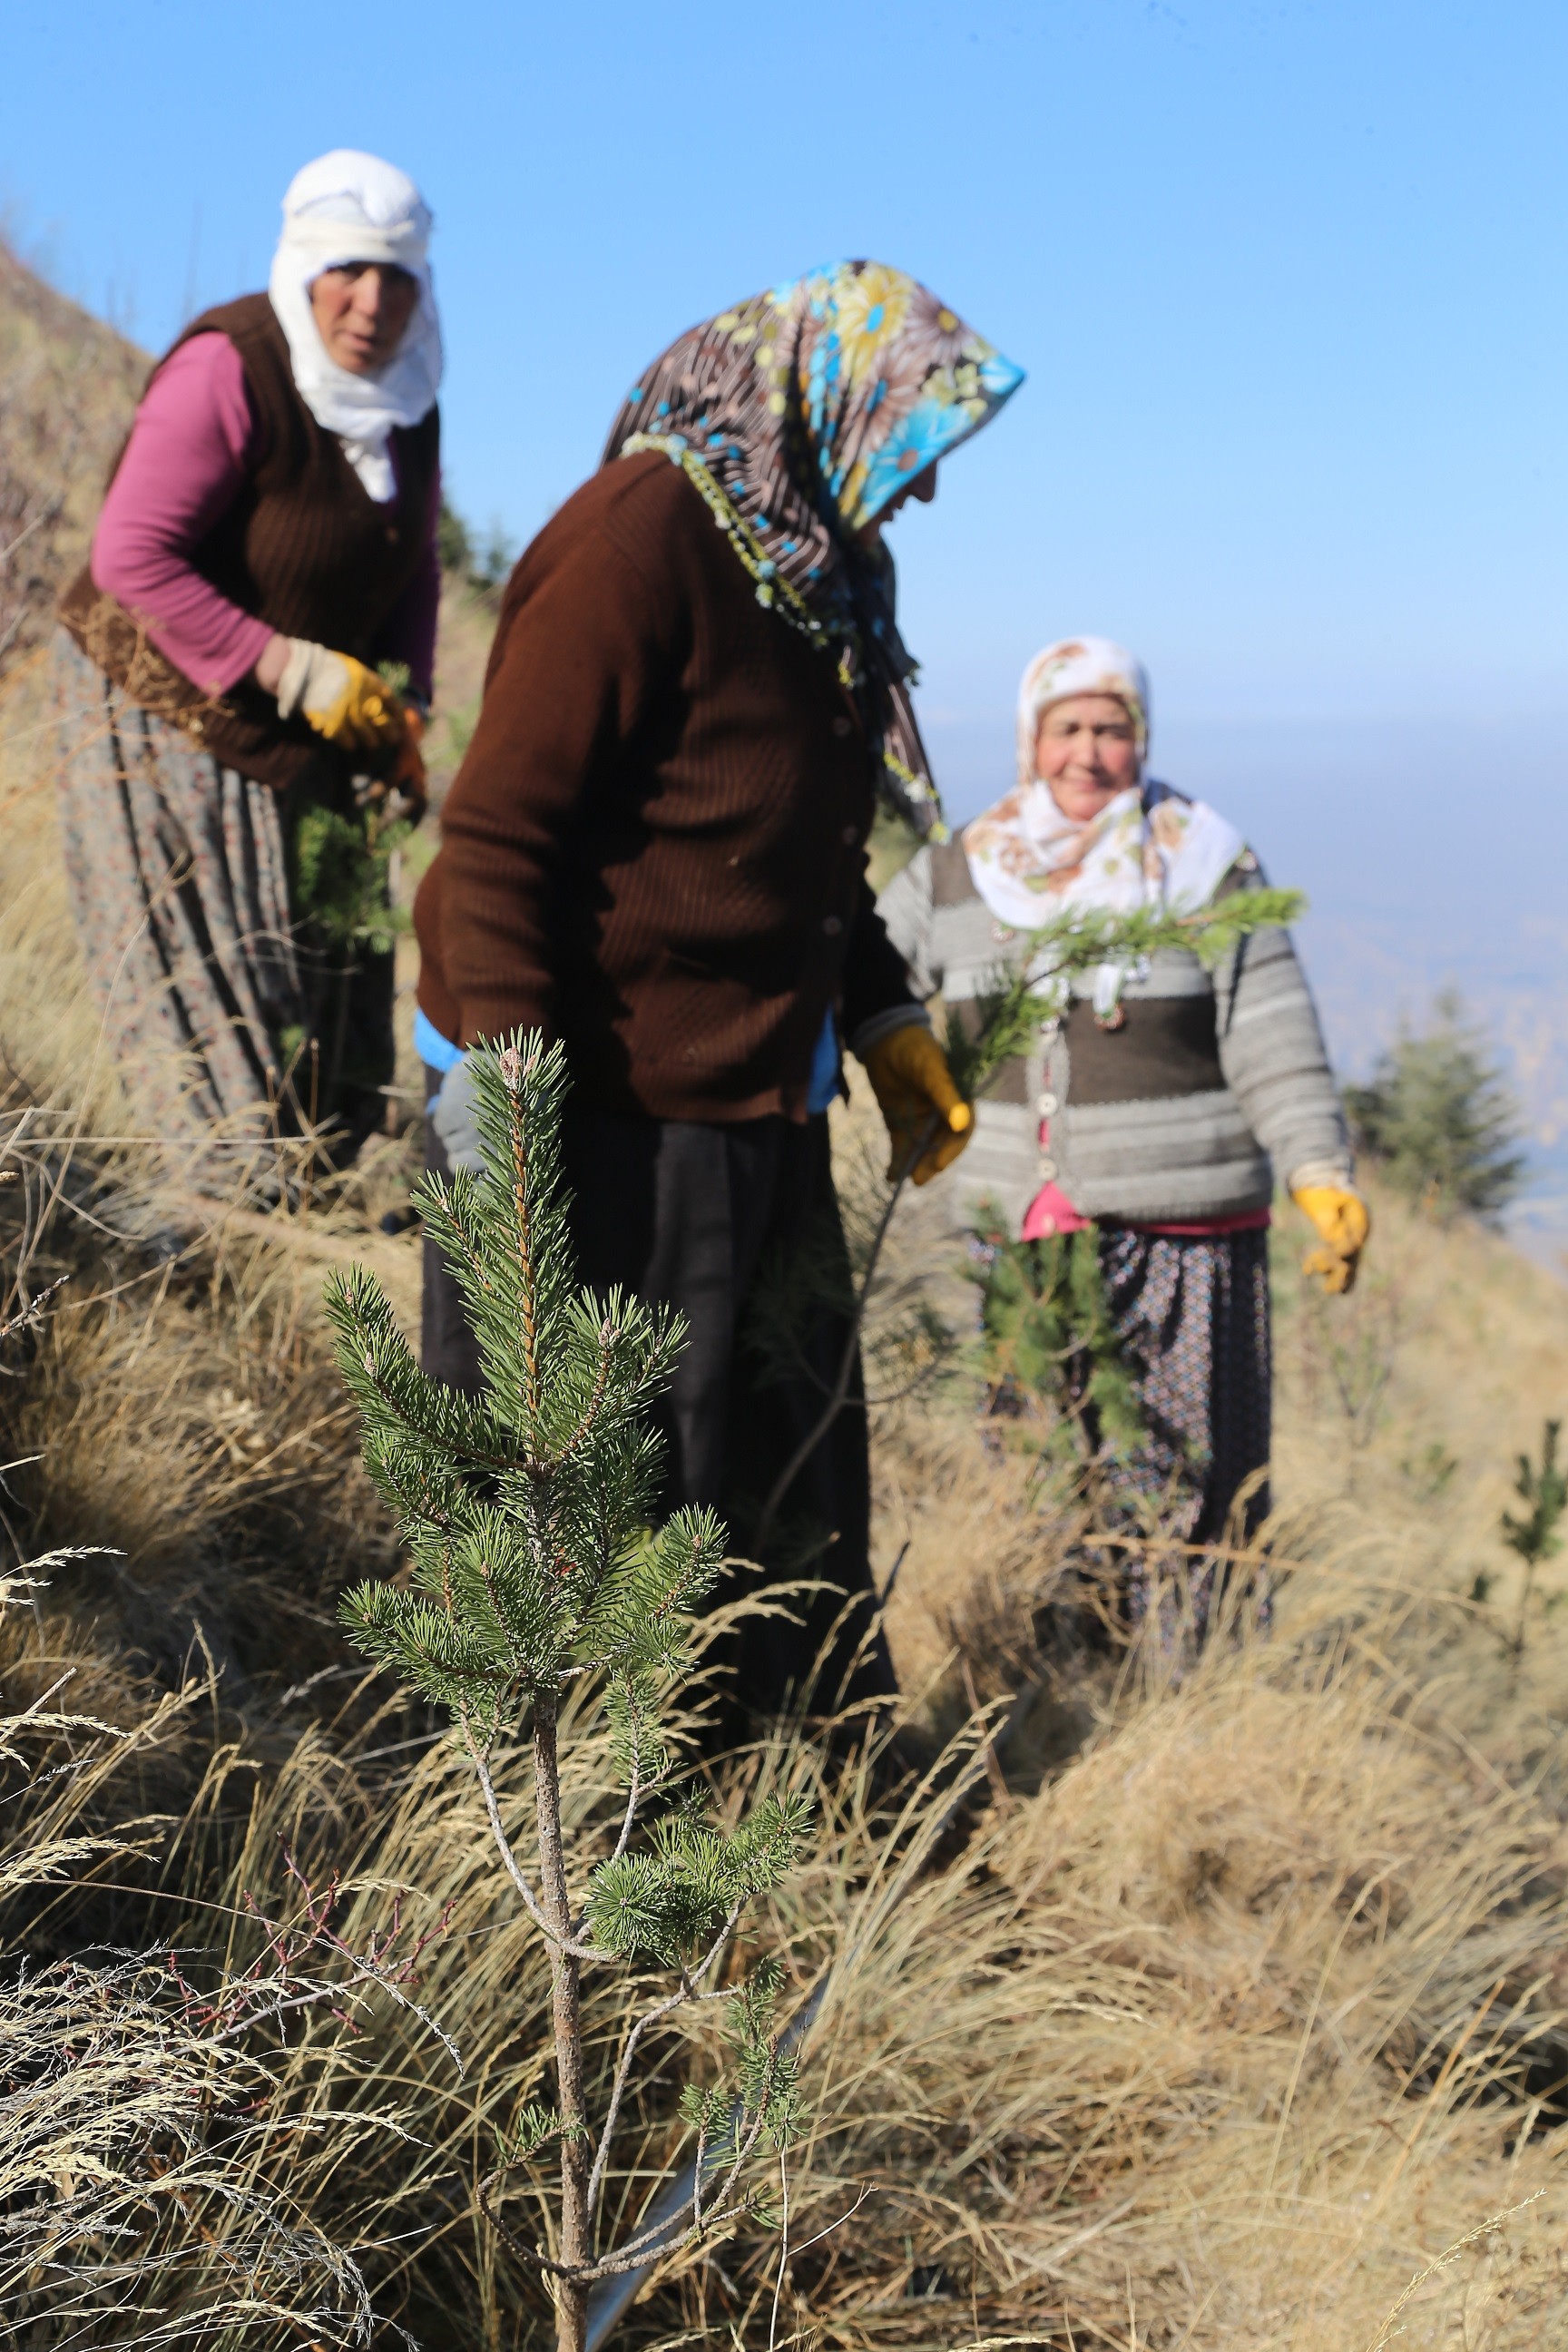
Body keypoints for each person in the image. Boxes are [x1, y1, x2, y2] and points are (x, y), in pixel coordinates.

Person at [414, 261, 1024, 1720]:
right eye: (911, 448)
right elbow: (497, 844)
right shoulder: (642, 541)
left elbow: (801, 856)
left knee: (780, 1473)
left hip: (759, 1106)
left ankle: (779, 1791)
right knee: (615, 1499)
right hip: (611, 1112)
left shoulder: (814, 570)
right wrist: (507, 1114)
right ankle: (586, 1849)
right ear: (827, 397)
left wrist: (880, 1023)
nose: (923, 497)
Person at [877, 635, 1368, 1630]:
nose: (1088, 752)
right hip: (1016, 1232)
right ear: (1030, 739)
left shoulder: (1204, 863)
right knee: (1034, 1461)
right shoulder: (961, 870)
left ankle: (1191, 1683)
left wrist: (1319, 1172)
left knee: (1182, 1470)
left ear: (1141, 738)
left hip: (1185, 1234)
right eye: (1067, 728)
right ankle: (1053, 1663)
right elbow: (873, 979)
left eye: (1112, 729)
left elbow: (1274, 1036)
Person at [55, 149, 441, 1185]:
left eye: (398, 276)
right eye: (349, 270)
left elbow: (411, 562)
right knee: (224, 974)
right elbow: (130, 557)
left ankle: (340, 1171)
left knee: (331, 963)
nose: (373, 302)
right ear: (305, 264)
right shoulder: (232, 366)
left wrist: (405, 707)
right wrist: (289, 669)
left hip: (306, 719)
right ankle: (234, 1203)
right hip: (166, 710)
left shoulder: (411, 395)